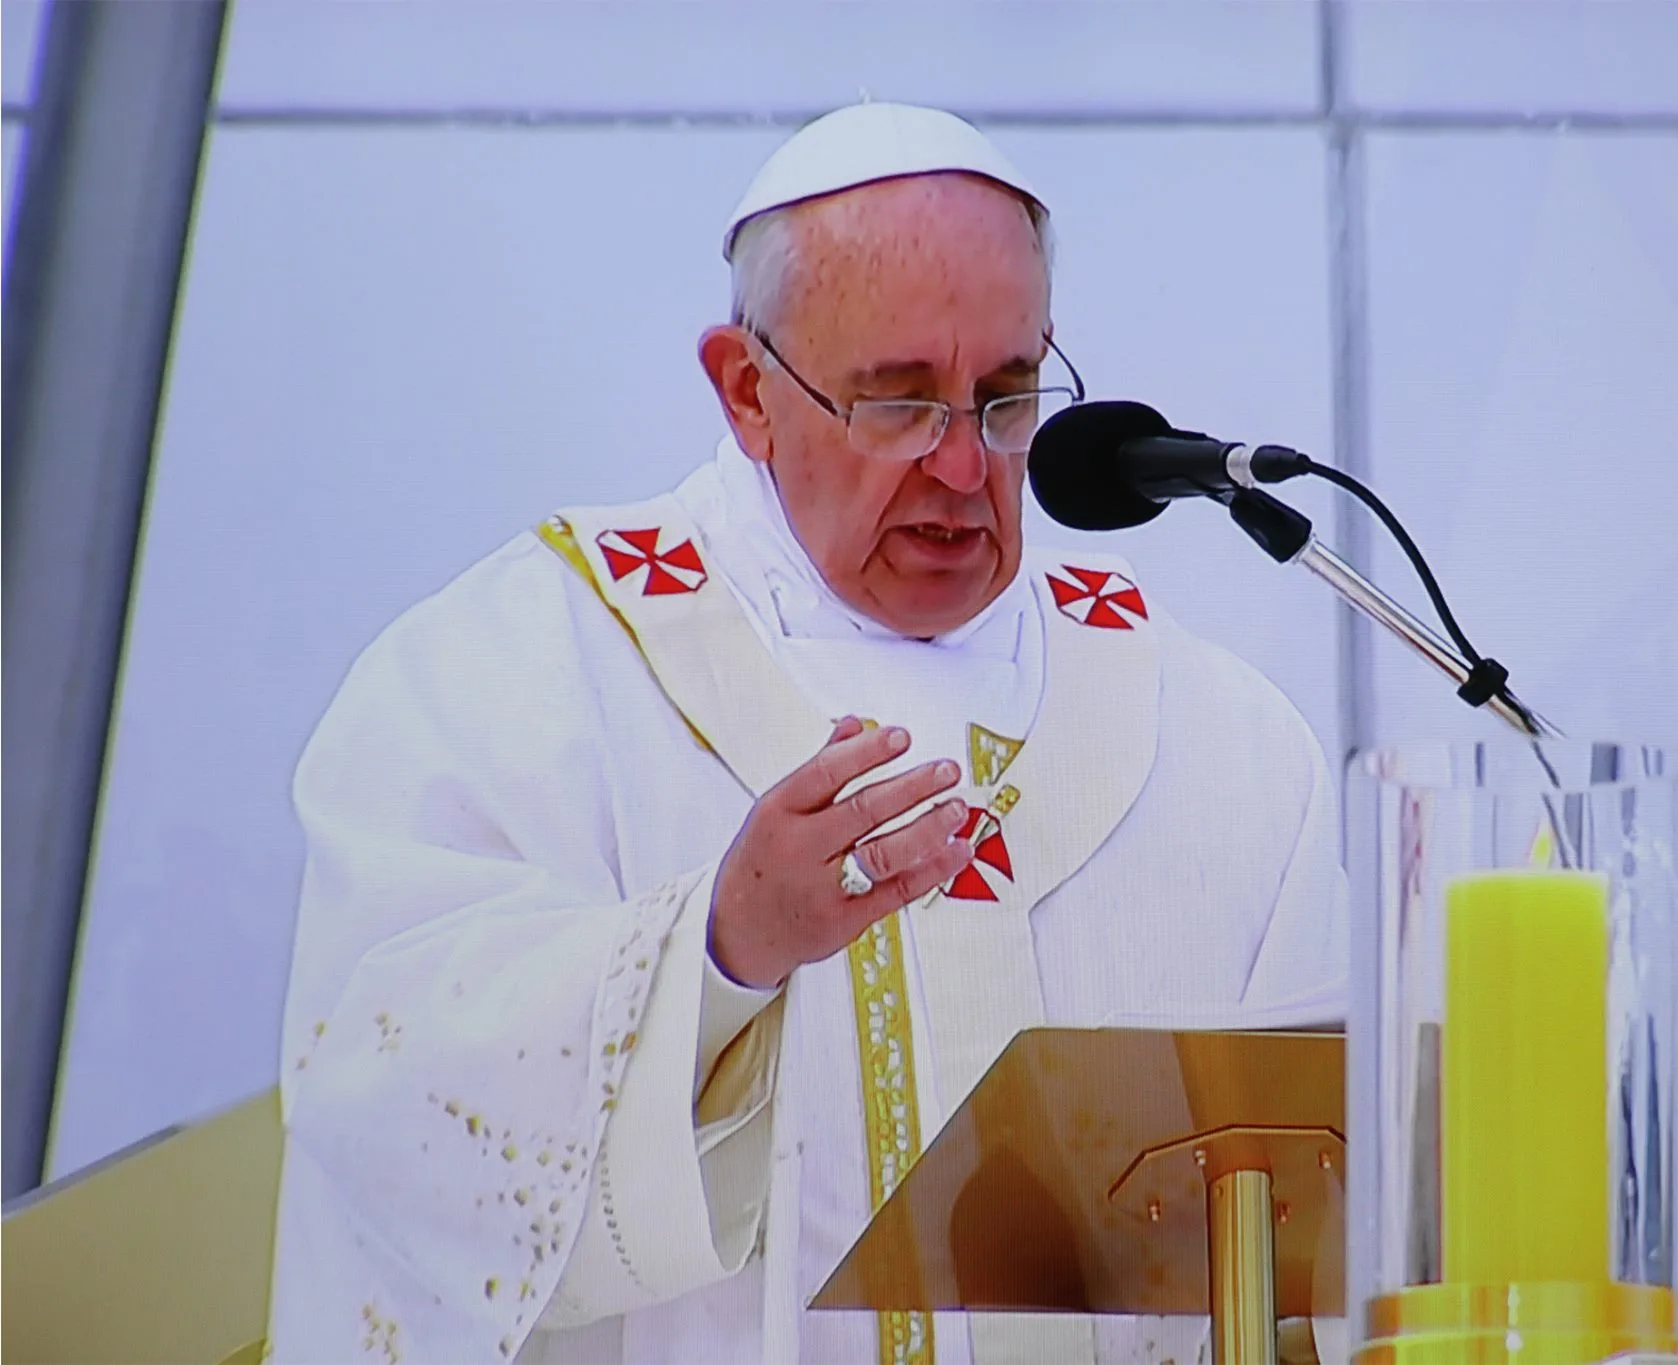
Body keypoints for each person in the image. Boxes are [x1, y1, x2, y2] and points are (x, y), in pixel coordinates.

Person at [266, 102, 1346, 1365]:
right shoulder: (520, 672)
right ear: (746, 392)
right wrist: (715, 954)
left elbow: (1321, 1214)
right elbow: (384, 1104)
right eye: (898, 404)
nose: (961, 470)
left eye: (1004, 400)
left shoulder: (1215, 739)